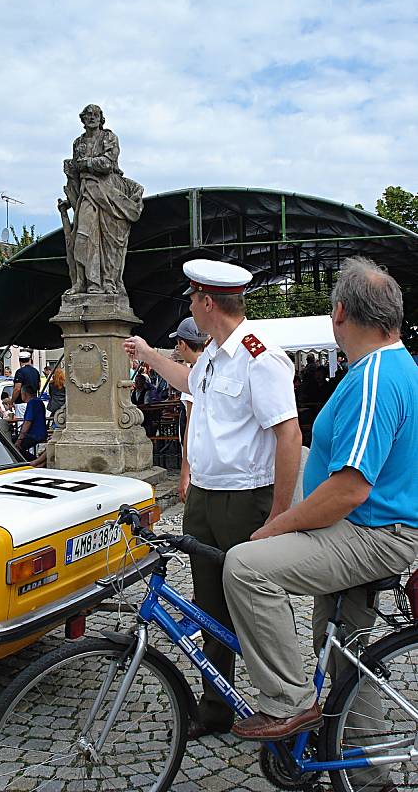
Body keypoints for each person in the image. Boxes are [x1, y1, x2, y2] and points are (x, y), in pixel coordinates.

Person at [222, 256, 418, 792]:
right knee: (347, 653)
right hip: (378, 529)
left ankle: (288, 702)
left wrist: (278, 526)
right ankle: (368, 771)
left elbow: (350, 488)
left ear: (338, 314)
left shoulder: (375, 377)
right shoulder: (397, 366)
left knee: (245, 566)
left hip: (370, 532)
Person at [125, 258, 302, 739]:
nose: (188, 305)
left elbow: (288, 435)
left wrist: (281, 515)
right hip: (204, 496)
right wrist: (147, 354)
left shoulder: (258, 355)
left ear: (207, 303)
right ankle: (217, 702)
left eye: (191, 298)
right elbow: (189, 383)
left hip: (245, 500)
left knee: (255, 602)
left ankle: (286, 703)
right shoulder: (214, 356)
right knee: (208, 603)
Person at [62, 103, 144, 294]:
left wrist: (87, 163)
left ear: (101, 118)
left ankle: (107, 282)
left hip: (107, 192)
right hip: (86, 192)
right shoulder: (78, 142)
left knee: (109, 240)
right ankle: (83, 282)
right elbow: (76, 171)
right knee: (82, 235)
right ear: (82, 119)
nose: (92, 117)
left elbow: (107, 164)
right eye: (88, 115)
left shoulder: (109, 137)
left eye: (95, 114)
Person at [168, 317, 208, 503]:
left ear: (182, 344)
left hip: (200, 462)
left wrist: (185, 472)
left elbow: (191, 427)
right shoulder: (210, 366)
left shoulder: (195, 375)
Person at [15, 384, 47, 461]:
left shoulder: (31, 403)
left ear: (24, 394)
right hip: (42, 433)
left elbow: (28, 422)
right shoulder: (39, 402)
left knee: (13, 447)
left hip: (34, 435)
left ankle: (32, 461)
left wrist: (20, 439)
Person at [12, 351, 40, 419]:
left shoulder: (20, 372)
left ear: (19, 361)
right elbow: (39, 386)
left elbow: (17, 389)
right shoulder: (35, 371)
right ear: (30, 359)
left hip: (21, 403)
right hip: (33, 402)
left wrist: (12, 401)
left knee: (21, 424)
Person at [131, 372, 161, 437]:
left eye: (138, 381)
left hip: (146, 417)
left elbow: (147, 404)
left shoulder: (148, 392)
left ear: (143, 382)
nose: (136, 383)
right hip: (135, 416)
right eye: (135, 381)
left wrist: (136, 407)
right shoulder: (133, 392)